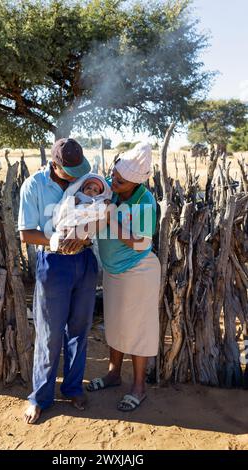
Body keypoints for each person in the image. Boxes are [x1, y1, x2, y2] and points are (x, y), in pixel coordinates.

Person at [18, 138, 98, 424]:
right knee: (50, 334)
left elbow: (103, 209)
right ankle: (40, 397)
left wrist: (88, 232)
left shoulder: (88, 181)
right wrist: (57, 240)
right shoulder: (34, 186)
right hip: (53, 264)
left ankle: (74, 387)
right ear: (55, 165)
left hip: (86, 261)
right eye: (70, 171)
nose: (78, 177)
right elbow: (26, 233)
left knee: (79, 329)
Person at [87, 142, 160, 412]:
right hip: (113, 269)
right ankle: (113, 374)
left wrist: (110, 219)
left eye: (120, 180)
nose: (113, 181)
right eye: (114, 174)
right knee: (115, 324)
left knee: (138, 328)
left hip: (138, 269)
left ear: (135, 182)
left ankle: (139, 387)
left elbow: (140, 243)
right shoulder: (109, 186)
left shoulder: (145, 202)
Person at [49, 173, 112, 253]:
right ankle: (61, 244)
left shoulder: (98, 201)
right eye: (88, 187)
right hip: (71, 220)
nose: (91, 190)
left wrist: (104, 205)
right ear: (83, 188)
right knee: (61, 236)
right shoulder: (78, 196)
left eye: (95, 190)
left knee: (79, 240)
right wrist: (71, 202)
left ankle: (71, 246)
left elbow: (100, 214)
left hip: (85, 223)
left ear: (99, 194)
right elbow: (64, 210)